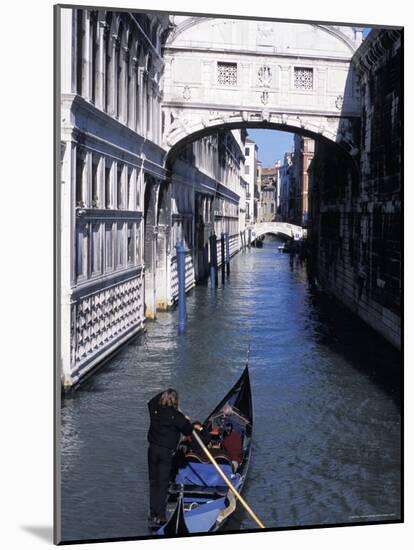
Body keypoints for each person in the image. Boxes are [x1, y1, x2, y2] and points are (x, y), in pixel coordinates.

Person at [147, 388, 193, 525]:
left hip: (152, 450)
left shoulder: (154, 409)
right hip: (165, 453)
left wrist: (165, 393)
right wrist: (186, 420)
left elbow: (151, 401)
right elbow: (188, 430)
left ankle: (153, 512)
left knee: (153, 482)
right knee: (162, 483)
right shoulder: (177, 416)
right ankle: (161, 516)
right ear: (176, 402)